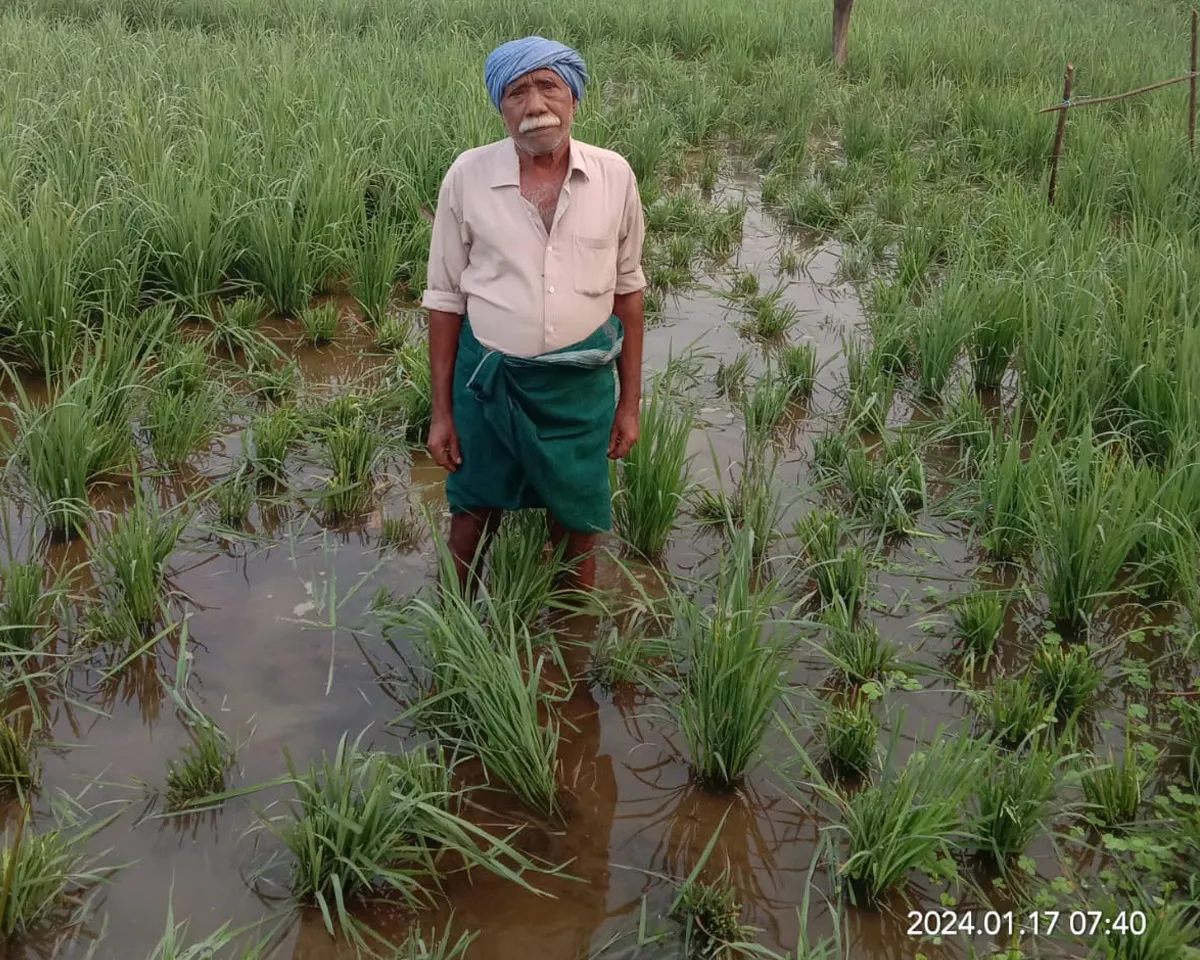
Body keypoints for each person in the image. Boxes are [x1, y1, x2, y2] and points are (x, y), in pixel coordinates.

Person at [421, 35, 647, 594]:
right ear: (501, 106)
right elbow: (446, 300)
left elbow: (628, 294)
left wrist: (630, 405)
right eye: (517, 92)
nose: (534, 104)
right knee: (472, 517)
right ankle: (455, 636)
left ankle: (569, 653)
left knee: (577, 525)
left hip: (580, 390)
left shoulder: (614, 176)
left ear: (574, 99)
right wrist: (442, 413)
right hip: (489, 383)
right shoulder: (467, 177)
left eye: (549, 86)